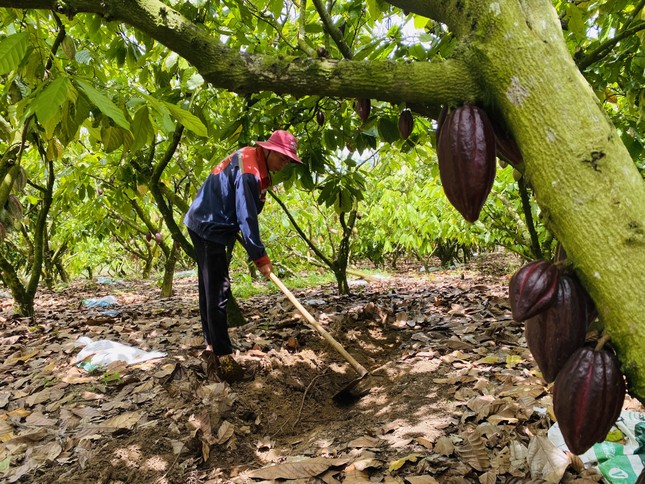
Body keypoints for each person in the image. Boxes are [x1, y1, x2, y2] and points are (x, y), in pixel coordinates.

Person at [184, 130, 302, 382]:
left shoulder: (251, 158)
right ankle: (224, 358)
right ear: (269, 150)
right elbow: (246, 218)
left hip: (203, 220)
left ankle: (211, 345)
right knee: (217, 290)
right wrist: (260, 258)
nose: (285, 164)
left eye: (289, 160)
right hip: (208, 226)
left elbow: (240, 207)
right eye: (282, 158)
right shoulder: (250, 172)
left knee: (209, 287)